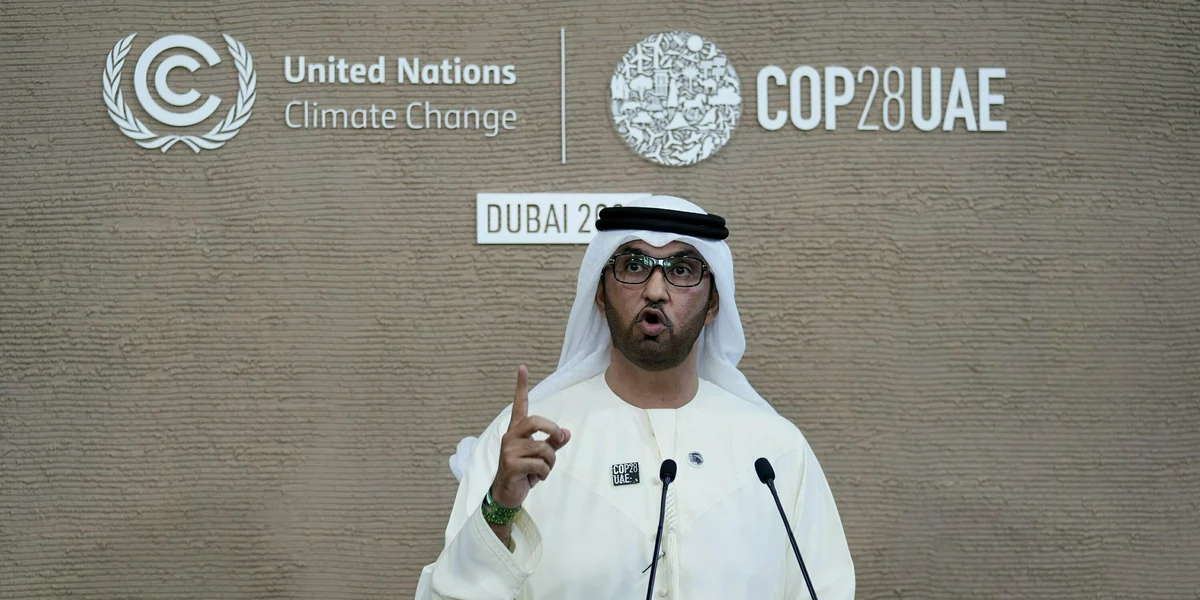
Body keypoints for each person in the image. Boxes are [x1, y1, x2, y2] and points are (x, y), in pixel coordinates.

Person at [414, 195, 855, 599]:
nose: (656, 291)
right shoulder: (525, 445)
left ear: (713, 304)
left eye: (682, 270)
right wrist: (500, 508)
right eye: (633, 265)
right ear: (600, 295)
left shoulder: (775, 453)